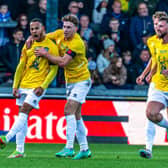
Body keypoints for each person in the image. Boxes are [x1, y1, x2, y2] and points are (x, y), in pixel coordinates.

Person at [33, 14, 92, 160]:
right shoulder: (59, 34)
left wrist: (45, 54)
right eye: (64, 26)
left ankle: (69, 147)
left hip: (82, 80)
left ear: (76, 29)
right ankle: (85, 149)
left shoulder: (77, 43)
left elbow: (63, 62)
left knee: (68, 110)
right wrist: (32, 38)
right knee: (76, 115)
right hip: (70, 81)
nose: (65, 30)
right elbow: (44, 37)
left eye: (69, 27)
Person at [0, 18, 59, 158]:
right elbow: (21, 66)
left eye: (36, 28)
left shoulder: (51, 46)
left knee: (25, 109)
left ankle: (5, 138)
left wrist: (43, 86)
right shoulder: (28, 45)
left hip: (37, 86)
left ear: (43, 28)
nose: (34, 31)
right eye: (32, 29)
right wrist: (15, 85)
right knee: (23, 115)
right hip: (24, 84)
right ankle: (19, 150)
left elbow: (53, 70)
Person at [136, 11, 167, 159]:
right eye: (155, 25)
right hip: (159, 85)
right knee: (150, 114)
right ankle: (148, 149)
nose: (157, 28)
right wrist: (146, 74)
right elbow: (154, 59)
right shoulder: (152, 41)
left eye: (160, 25)